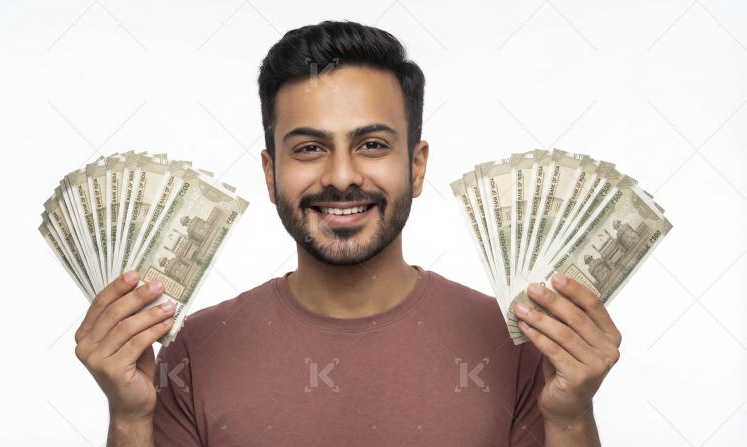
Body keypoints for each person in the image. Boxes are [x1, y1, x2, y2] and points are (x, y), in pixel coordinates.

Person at [73, 20, 621, 446]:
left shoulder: (515, 341)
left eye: (372, 145)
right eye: (310, 148)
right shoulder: (194, 349)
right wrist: (129, 418)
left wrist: (571, 418)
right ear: (270, 173)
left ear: (417, 166)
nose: (341, 176)